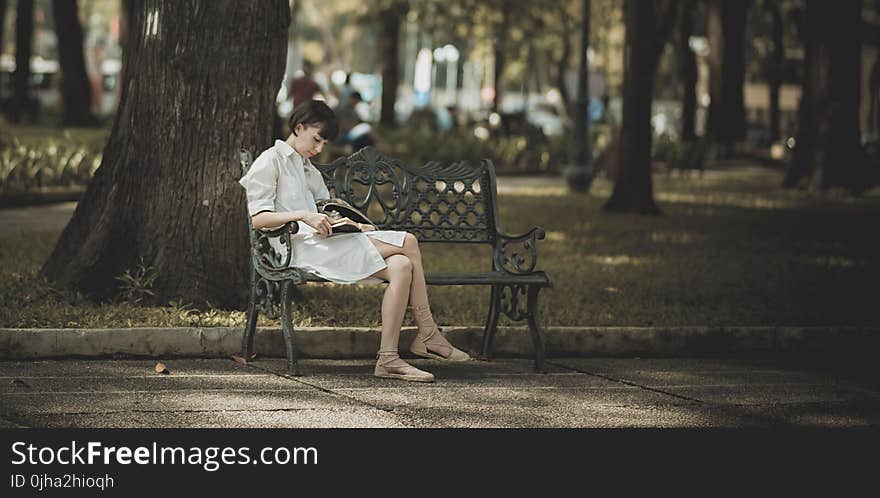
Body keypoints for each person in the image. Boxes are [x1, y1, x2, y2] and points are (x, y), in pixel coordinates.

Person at [239, 100, 470, 383]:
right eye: (316, 139)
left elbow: (326, 206)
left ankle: (388, 359)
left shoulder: (306, 166)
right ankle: (429, 335)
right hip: (296, 250)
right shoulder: (270, 160)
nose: (319, 148)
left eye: (323, 142)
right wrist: (305, 216)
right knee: (408, 242)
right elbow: (258, 219)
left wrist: (346, 222)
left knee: (400, 266)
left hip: (323, 244)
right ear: (299, 127)